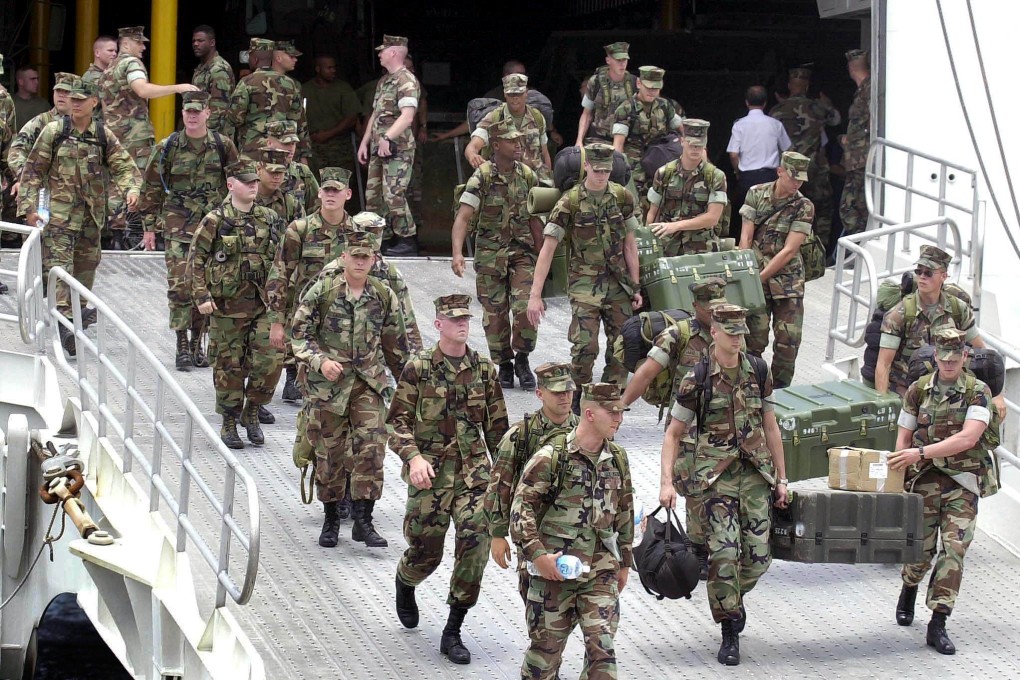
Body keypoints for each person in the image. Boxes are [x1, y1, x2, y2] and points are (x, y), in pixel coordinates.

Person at [660, 303, 789, 666]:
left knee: (759, 558)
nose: (737, 340)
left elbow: (771, 426)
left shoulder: (759, 370)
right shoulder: (697, 377)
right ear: (714, 333)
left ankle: (732, 598)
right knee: (723, 555)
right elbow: (673, 434)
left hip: (755, 476)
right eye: (730, 333)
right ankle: (729, 628)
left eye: (741, 334)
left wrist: (782, 478)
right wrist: (666, 482)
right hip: (715, 479)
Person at [389, 294, 509, 665]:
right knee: (426, 551)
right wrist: (413, 457)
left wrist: (507, 479)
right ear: (438, 324)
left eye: (465, 319)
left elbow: (498, 431)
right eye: (454, 319)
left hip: (474, 477)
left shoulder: (484, 369)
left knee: (475, 542)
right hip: (430, 478)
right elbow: (396, 422)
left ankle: (453, 629)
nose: (461, 325)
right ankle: (406, 580)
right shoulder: (419, 368)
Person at [291, 230, 409, 548]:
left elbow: (396, 345)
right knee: (330, 454)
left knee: (372, 447)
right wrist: (320, 362)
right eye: (354, 256)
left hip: (368, 383)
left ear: (373, 260)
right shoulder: (323, 291)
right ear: (343, 258)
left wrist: (409, 389)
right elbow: (299, 335)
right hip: (329, 387)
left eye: (365, 257)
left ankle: (363, 520)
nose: (359, 262)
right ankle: (331, 519)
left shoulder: (383, 295)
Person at [512, 382, 634, 680]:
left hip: (600, 572)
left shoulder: (617, 458)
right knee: (544, 658)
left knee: (602, 650)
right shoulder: (551, 458)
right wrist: (538, 556)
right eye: (612, 413)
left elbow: (624, 512)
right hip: (554, 573)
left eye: (621, 412)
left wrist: (625, 563)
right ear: (590, 414)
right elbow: (520, 510)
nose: (619, 419)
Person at [888, 327, 997, 656]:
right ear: (936, 356)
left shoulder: (978, 391)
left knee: (954, 549)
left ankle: (938, 621)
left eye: (955, 358)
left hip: (962, 482)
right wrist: (900, 474)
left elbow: (968, 438)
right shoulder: (919, 389)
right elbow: (903, 436)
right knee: (921, 552)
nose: (949, 364)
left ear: (965, 356)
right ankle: (909, 585)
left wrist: (921, 453)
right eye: (944, 358)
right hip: (924, 480)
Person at [18, 80, 141, 354]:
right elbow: (33, 170)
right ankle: (66, 328)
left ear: (94, 102)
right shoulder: (54, 131)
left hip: (91, 219)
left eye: (80, 100)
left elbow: (123, 166)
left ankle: (76, 317)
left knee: (85, 270)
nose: (75, 104)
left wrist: (131, 189)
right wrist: (28, 209)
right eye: (72, 99)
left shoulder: (102, 135)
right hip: (59, 218)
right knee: (61, 270)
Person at [623, 278, 728, 579]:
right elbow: (646, 373)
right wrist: (621, 405)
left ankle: (717, 544)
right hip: (687, 426)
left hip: (723, 425)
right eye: (709, 309)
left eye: (719, 307)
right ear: (695, 306)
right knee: (694, 487)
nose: (715, 314)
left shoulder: (730, 332)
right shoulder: (678, 335)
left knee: (720, 486)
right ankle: (697, 549)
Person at [528, 143, 642, 412]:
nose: (601, 175)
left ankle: (609, 397)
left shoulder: (622, 198)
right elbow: (548, 249)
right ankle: (578, 398)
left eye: (606, 171)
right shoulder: (570, 202)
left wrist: (635, 286)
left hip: (618, 284)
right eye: (597, 170)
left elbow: (630, 245)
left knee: (623, 346)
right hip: (584, 284)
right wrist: (535, 295)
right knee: (585, 347)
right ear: (587, 166)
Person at [138, 90, 239, 371]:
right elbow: (151, 189)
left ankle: (197, 342)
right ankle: (182, 343)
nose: (192, 116)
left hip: (213, 229)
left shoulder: (223, 146)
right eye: (188, 112)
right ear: (182, 113)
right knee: (180, 286)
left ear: (208, 113)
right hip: (178, 227)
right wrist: (149, 228)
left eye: (197, 111)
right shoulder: (168, 147)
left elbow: (237, 185)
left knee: (208, 286)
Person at [187, 158, 284, 449]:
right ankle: (229, 420)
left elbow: (283, 261)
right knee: (228, 366)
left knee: (270, 360)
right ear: (231, 185)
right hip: (227, 307)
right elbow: (195, 260)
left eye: (255, 181)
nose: (253, 186)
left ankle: (252, 410)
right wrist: (202, 296)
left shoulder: (269, 218)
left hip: (263, 305)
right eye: (246, 182)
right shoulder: (215, 221)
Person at [452, 119, 542, 390]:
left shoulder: (528, 176)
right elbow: (463, 217)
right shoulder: (482, 177)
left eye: (518, 140)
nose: (518, 145)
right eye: (512, 141)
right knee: (495, 315)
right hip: (490, 256)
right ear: (497, 145)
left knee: (525, 307)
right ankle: (504, 363)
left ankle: (522, 358)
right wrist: (457, 253)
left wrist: (543, 258)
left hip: (522, 254)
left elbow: (536, 219)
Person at [484, 361, 578, 601]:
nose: (564, 397)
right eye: (557, 392)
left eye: (568, 390)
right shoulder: (521, 435)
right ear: (540, 394)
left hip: (578, 529)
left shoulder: (585, 431)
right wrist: (497, 533)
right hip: (533, 529)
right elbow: (500, 483)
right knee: (537, 600)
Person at [738, 151, 814, 389]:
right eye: (792, 177)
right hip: (756, 276)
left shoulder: (804, 206)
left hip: (787, 282)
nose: (796, 183)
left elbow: (789, 250)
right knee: (753, 340)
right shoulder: (756, 193)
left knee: (788, 341)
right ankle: (750, 389)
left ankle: (779, 391)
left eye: (801, 180)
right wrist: (747, 274)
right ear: (780, 171)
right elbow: (746, 237)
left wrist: (760, 277)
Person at [876, 245, 987, 397]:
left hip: (949, 393)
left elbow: (981, 352)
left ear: (944, 276)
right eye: (918, 271)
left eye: (928, 273)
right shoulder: (900, 314)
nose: (922, 277)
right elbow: (883, 365)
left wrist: (996, 396)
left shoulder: (958, 309)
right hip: (909, 393)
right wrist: (883, 403)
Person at [100, 26, 200, 171]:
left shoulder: (109, 68)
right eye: (139, 43)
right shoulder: (131, 63)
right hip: (134, 139)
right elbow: (142, 89)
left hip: (113, 137)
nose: (143, 47)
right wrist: (178, 88)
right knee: (139, 180)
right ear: (126, 44)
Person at [357, 35, 420, 257]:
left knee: (394, 194)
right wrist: (365, 142)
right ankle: (379, 239)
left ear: (393, 52)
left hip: (398, 149)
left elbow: (407, 116)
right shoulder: (384, 81)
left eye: (382, 51)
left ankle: (407, 240)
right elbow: (375, 114)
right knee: (374, 196)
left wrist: (387, 137)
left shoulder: (407, 80)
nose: (379, 54)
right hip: (379, 147)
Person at [769, 66, 841, 257]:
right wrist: (827, 105)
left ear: (789, 85)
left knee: (786, 211)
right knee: (822, 211)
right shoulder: (818, 108)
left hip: (788, 172)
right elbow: (836, 120)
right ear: (807, 86)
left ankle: (787, 253)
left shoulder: (776, 111)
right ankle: (820, 254)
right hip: (815, 170)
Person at [647, 118, 728, 256]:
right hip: (667, 247)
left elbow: (712, 218)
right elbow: (653, 213)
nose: (695, 149)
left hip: (702, 249)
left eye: (699, 145)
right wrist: (648, 241)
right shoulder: (664, 173)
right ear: (682, 141)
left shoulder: (715, 176)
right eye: (691, 144)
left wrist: (676, 226)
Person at [612, 65, 683, 207]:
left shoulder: (665, 105)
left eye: (656, 88)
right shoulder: (626, 109)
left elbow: (682, 129)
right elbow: (618, 145)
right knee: (633, 201)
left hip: (660, 158)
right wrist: (619, 170)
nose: (652, 92)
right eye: (649, 88)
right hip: (635, 163)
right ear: (639, 83)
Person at [229, 38, 310, 162]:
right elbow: (298, 120)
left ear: (254, 59)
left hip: (252, 153)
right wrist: (303, 154)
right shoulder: (290, 84)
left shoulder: (247, 82)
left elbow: (235, 118)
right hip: (282, 151)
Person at [465, 74, 552, 183]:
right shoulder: (494, 117)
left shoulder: (537, 117)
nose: (515, 98)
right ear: (505, 94)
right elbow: (473, 146)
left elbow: (544, 153)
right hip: (502, 182)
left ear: (526, 93)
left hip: (534, 181)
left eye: (519, 94)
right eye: (511, 94)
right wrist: (473, 155)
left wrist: (548, 179)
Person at [727, 85, 792, 217]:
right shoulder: (776, 124)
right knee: (770, 219)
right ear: (765, 103)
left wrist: (738, 172)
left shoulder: (739, 125)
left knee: (747, 218)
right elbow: (788, 150)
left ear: (746, 102)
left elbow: (733, 155)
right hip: (771, 178)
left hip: (747, 178)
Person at [7, 72, 76, 186]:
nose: (61, 95)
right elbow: (16, 151)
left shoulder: (89, 125)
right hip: (46, 189)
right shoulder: (41, 122)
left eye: (67, 92)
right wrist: (27, 177)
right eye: (58, 91)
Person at [302, 55, 360, 177]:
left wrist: (328, 134)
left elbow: (352, 118)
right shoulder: (305, 90)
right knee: (315, 184)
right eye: (329, 68)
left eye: (334, 67)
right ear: (318, 69)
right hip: (314, 147)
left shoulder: (343, 88)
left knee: (340, 183)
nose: (333, 70)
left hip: (339, 148)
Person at [576, 42, 637, 146]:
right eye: (618, 60)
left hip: (626, 141)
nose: (622, 64)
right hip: (599, 138)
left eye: (625, 60)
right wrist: (579, 140)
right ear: (608, 60)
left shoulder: (634, 83)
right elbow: (586, 114)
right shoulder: (595, 82)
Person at [839, 49, 871, 237]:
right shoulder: (863, 90)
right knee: (851, 206)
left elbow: (873, 121)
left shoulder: (869, 90)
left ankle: (860, 242)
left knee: (854, 206)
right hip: (857, 160)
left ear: (852, 69)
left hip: (862, 159)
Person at [263, 119, 320, 217]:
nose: (291, 148)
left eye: (293, 143)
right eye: (285, 143)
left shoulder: (302, 172)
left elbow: (317, 211)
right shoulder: (255, 172)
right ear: (269, 143)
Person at [191, 25, 236, 137]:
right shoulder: (201, 68)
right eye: (194, 41)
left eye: (200, 41)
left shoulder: (218, 69)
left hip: (215, 137)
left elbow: (219, 110)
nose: (195, 44)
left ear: (212, 43)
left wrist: (203, 134)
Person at [255, 147, 301, 225]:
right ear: (259, 169)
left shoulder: (291, 204)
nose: (277, 177)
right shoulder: (244, 200)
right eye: (271, 172)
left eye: (280, 172)